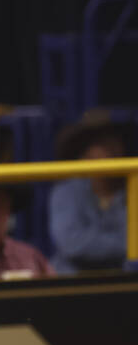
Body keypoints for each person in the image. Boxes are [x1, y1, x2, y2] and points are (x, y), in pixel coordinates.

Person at [48, 110, 128, 274]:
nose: (112, 150)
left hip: (124, 282)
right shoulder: (66, 192)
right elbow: (73, 244)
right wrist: (126, 244)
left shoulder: (133, 188)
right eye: (102, 144)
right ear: (84, 154)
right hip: (75, 282)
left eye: (114, 141)